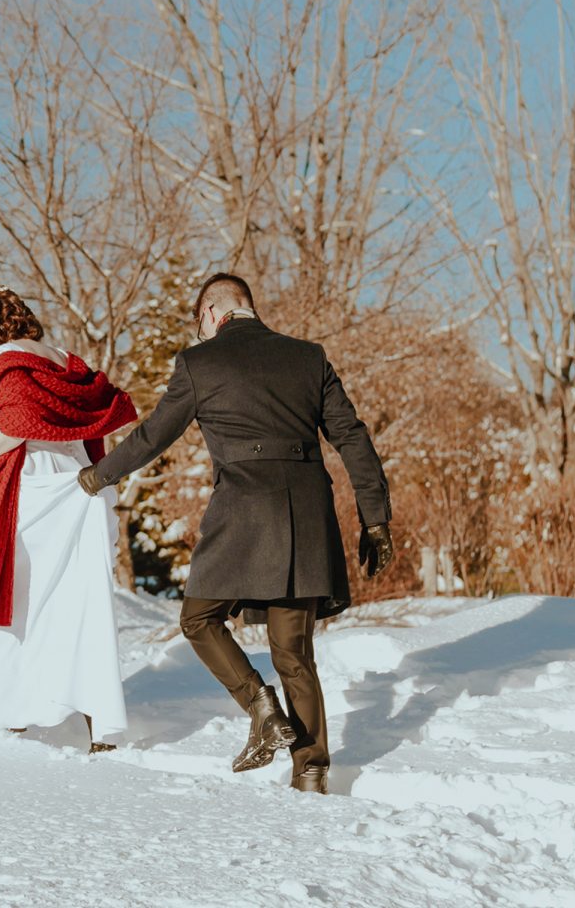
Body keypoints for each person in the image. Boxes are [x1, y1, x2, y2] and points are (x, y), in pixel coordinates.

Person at [77, 274, 394, 793]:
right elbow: (352, 438)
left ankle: (261, 706)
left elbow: (154, 435)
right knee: (293, 652)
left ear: (210, 312)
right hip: (306, 516)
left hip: (241, 512)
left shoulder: (199, 363)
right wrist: (375, 517)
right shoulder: (308, 357)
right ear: (247, 305)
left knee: (198, 618)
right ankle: (311, 769)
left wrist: (98, 476)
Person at [0, 285, 138, 751]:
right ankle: (96, 721)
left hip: (32, 483)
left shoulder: (4, 357)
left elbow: (18, 423)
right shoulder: (63, 359)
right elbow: (88, 411)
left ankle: (9, 707)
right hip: (78, 482)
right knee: (73, 601)